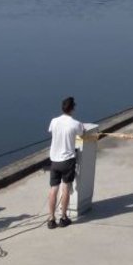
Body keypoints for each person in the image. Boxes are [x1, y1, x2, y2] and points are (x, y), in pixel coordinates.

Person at [47, 96, 87, 229]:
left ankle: (51, 219)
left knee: (53, 189)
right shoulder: (76, 124)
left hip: (54, 160)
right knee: (66, 188)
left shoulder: (54, 121)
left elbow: (52, 131)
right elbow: (82, 134)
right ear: (73, 108)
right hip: (68, 160)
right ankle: (63, 217)